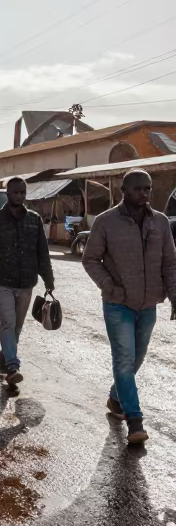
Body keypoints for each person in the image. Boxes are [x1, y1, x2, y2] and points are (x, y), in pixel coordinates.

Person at [83, 168, 176, 445]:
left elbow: (170, 263)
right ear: (123, 191)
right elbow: (90, 259)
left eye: (147, 188)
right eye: (137, 188)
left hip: (148, 305)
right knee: (124, 359)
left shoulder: (159, 222)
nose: (144, 193)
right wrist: (110, 287)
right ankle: (135, 420)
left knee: (136, 359)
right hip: (117, 305)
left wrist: (174, 297)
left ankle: (116, 397)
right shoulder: (105, 222)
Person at [0, 177, 53, 386]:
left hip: (26, 282)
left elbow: (42, 253)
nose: (19, 196)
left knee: (17, 327)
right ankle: (13, 365)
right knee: (8, 323)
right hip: (2, 281)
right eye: (15, 192)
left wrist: (48, 278)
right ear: (8, 193)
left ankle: (4, 358)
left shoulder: (34, 220)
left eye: (22, 192)